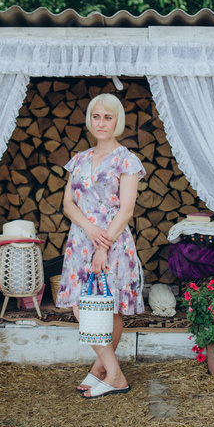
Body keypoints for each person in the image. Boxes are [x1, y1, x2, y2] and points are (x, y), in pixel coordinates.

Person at [56, 93, 146, 399]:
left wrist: (103, 245)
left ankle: (111, 374)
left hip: (113, 242)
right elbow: (68, 204)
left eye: (108, 117)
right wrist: (90, 230)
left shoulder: (127, 160)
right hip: (81, 240)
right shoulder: (79, 158)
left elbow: (126, 210)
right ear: (89, 120)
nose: (101, 123)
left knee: (111, 308)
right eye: (96, 116)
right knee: (82, 306)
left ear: (117, 120)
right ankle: (105, 370)